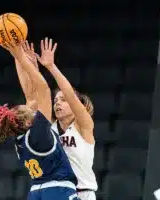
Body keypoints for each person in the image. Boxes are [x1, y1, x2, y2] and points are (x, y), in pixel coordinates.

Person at [0, 39, 80, 200]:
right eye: (28, 109)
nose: (31, 105)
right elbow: (44, 90)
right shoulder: (39, 134)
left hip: (35, 192)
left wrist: (17, 58)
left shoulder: (21, 137)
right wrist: (22, 58)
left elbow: (31, 95)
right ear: (29, 122)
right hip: (57, 191)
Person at [35, 38, 98, 200]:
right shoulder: (51, 127)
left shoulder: (84, 126)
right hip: (57, 192)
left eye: (63, 100)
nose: (57, 103)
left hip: (82, 192)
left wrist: (51, 66)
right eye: (56, 100)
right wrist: (29, 66)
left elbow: (69, 93)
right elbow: (37, 94)